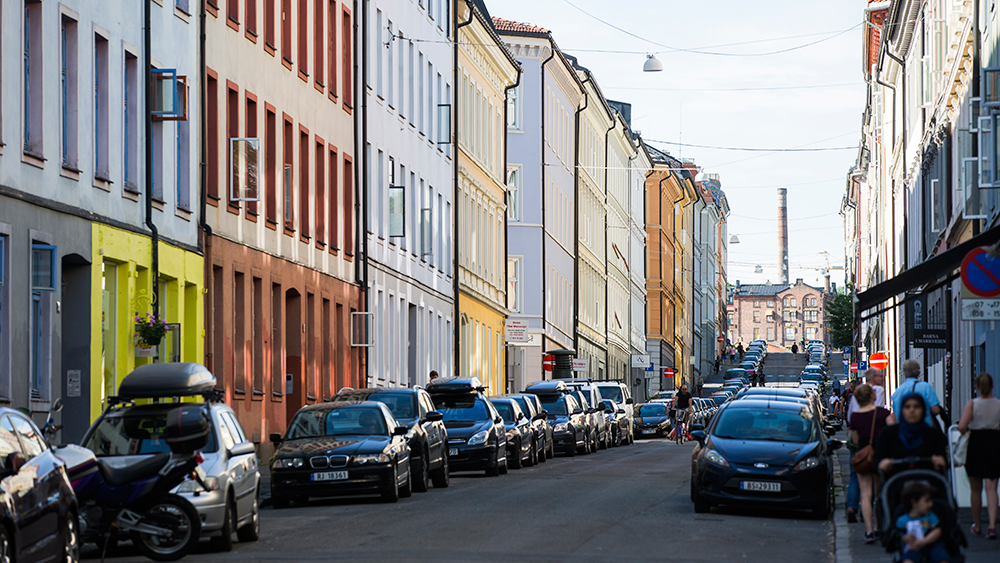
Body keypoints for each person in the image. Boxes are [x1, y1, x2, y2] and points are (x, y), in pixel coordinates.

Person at [849, 384, 895, 543]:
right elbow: (894, 430)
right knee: (879, 493)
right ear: (872, 396)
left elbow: (854, 440)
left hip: (863, 457)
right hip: (880, 456)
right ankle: (878, 526)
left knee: (865, 494)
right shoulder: (882, 413)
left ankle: (869, 531)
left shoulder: (854, 416)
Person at [957, 373, 1000, 539]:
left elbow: (962, 426)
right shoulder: (998, 404)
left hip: (976, 444)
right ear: (992, 386)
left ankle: (977, 525)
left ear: (976, 387)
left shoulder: (972, 404)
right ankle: (991, 526)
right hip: (994, 443)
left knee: (975, 489)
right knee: (992, 486)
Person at [875, 393, 949, 476]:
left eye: (916, 407)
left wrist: (940, 462)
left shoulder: (932, 434)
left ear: (923, 410)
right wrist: (882, 464)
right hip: (896, 484)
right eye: (907, 407)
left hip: (927, 482)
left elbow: (943, 460)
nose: (912, 410)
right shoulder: (889, 433)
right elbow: (877, 459)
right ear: (901, 410)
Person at [895, 480, 952, 563]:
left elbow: (937, 531)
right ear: (914, 502)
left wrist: (923, 542)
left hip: (933, 544)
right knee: (907, 560)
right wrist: (904, 539)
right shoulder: (902, 521)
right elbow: (898, 535)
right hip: (914, 547)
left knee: (943, 558)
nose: (931, 504)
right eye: (927, 501)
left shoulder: (930, 516)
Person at [891, 359, 943, 428]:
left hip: (903, 431)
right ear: (918, 372)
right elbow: (936, 410)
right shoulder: (925, 387)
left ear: (904, 373)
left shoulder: (897, 392)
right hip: (924, 431)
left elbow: (895, 416)